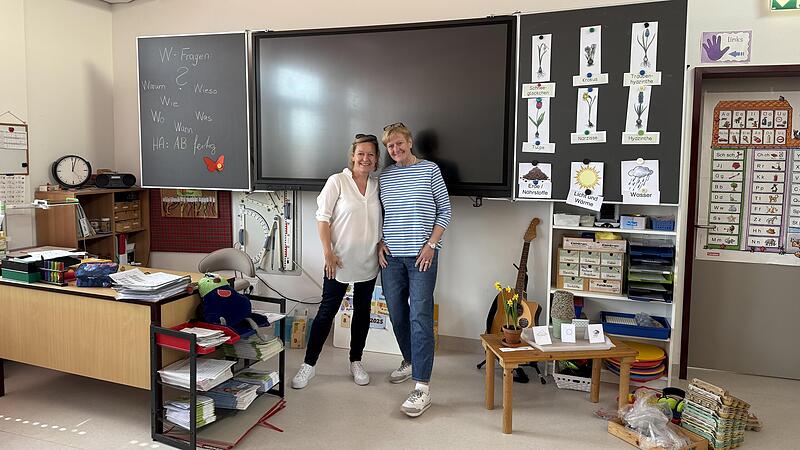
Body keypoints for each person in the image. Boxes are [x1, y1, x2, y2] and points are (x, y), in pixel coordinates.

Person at [292, 133, 382, 389]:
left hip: (368, 261)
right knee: (326, 312)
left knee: (362, 313)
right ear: (353, 155)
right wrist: (327, 252)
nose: (365, 158)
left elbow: (378, 220)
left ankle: (356, 361)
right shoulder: (338, 181)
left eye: (371, 155)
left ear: (376, 160)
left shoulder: (377, 186)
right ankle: (308, 365)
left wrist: (381, 242)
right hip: (338, 260)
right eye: (361, 153)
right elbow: (323, 218)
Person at [378, 122, 451, 417]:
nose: (395, 149)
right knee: (396, 313)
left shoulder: (430, 170)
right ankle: (410, 361)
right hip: (391, 258)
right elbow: (380, 215)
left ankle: (422, 387)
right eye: (389, 146)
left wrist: (431, 245)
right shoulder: (384, 177)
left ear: (409, 141)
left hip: (422, 257)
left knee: (420, 317)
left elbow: (445, 210)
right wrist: (380, 242)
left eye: (399, 143)